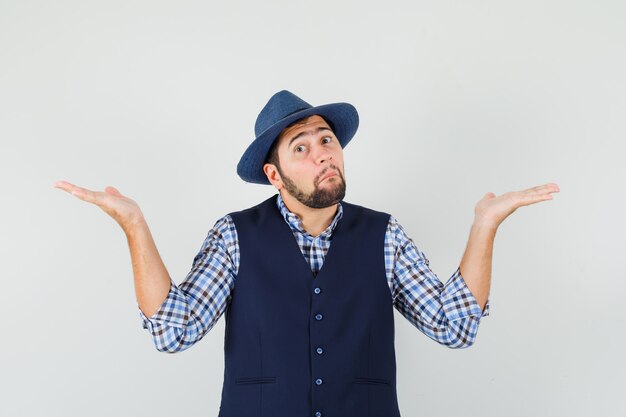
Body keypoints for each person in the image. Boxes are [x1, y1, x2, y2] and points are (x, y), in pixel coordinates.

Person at [53, 90, 560, 417]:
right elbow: (173, 330)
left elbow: (455, 327)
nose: (323, 152)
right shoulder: (234, 236)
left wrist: (484, 225)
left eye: (328, 140)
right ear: (274, 175)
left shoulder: (385, 235)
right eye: (302, 147)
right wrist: (134, 224)